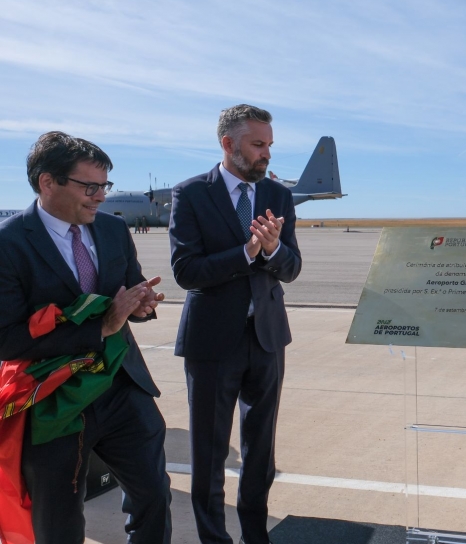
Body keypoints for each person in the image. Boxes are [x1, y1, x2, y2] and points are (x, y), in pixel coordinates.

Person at [0, 131, 171, 543]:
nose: (100, 197)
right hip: (53, 400)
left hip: (120, 386)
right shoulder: (8, 244)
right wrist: (102, 327)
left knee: (154, 494)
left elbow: (127, 291)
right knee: (58, 520)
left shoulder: (112, 230)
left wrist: (142, 305)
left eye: (104, 186)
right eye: (90, 186)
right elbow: (6, 340)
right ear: (47, 182)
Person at [169, 105, 301, 544]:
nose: (266, 154)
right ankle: (214, 539)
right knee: (208, 454)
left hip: (266, 338)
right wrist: (247, 252)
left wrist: (272, 251)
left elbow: (292, 267)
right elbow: (186, 271)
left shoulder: (278, 196)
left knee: (261, 452)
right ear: (228, 144)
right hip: (212, 342)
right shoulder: (191, 194)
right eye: (257, 145)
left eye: (269, 145)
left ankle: (254, 535)